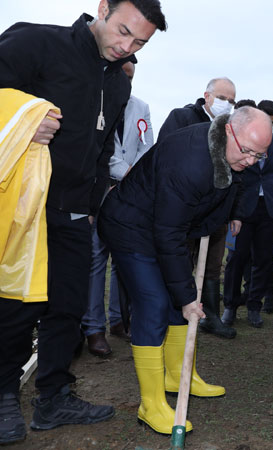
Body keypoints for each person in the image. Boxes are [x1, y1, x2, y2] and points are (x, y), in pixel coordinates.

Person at [0, 0, 166, 442]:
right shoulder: (36, 41)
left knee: (68, 308)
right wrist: (23, 121)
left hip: (75, 212)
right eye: (123, 31)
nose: (126, 46)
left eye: (139, 43)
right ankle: (1, 397)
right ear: (103, 8)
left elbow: (103, 144)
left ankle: (52, 396)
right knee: (18, 307)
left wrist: (95, 201)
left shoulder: (118, 83)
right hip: (24, 208)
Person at [98, 106, 272, 434]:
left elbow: (236, 182)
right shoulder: (191, 162)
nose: (251, 160)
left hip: (164, 225)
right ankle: (150, 404)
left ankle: (179, 377)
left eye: (259, 156)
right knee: (154, 303)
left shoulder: (232, 149)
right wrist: (188, 296)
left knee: (179, 302)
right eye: (248, 152)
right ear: (230, 131)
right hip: (130, 224)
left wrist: (233, 212)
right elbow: (169, 234)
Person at [158, 76, 238, 339]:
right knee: (180, 261)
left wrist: (234, 212)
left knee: (213, 264)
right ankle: (171, 312)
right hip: (185, 209)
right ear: (207, 96)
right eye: (223, 98)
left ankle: (211, 316)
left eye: (232, 101)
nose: (227, 104)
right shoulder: (182, 118)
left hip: (215, 211)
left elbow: (235, 169)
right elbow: (166, 155)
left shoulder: (230, 128)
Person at [83, 60, 153, 357]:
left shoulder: (142, 108)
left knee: (123, 261)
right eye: (122, 75)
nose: (127, 81)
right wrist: (126, 174)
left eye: (131, 77)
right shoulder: (93, 102)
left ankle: (118, 321)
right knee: (97, 260)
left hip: (129, 195)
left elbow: (147, 147)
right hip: (100, 190)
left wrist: (136, 180)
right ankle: (93, 328)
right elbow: (98, 148)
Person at [222, 100, 273, 328]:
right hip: (242, 210)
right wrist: (232, 211)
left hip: (270, 211)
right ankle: (230, 307)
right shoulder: (242, 140)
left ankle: (254, 306)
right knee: (236, 258)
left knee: (263, 260)